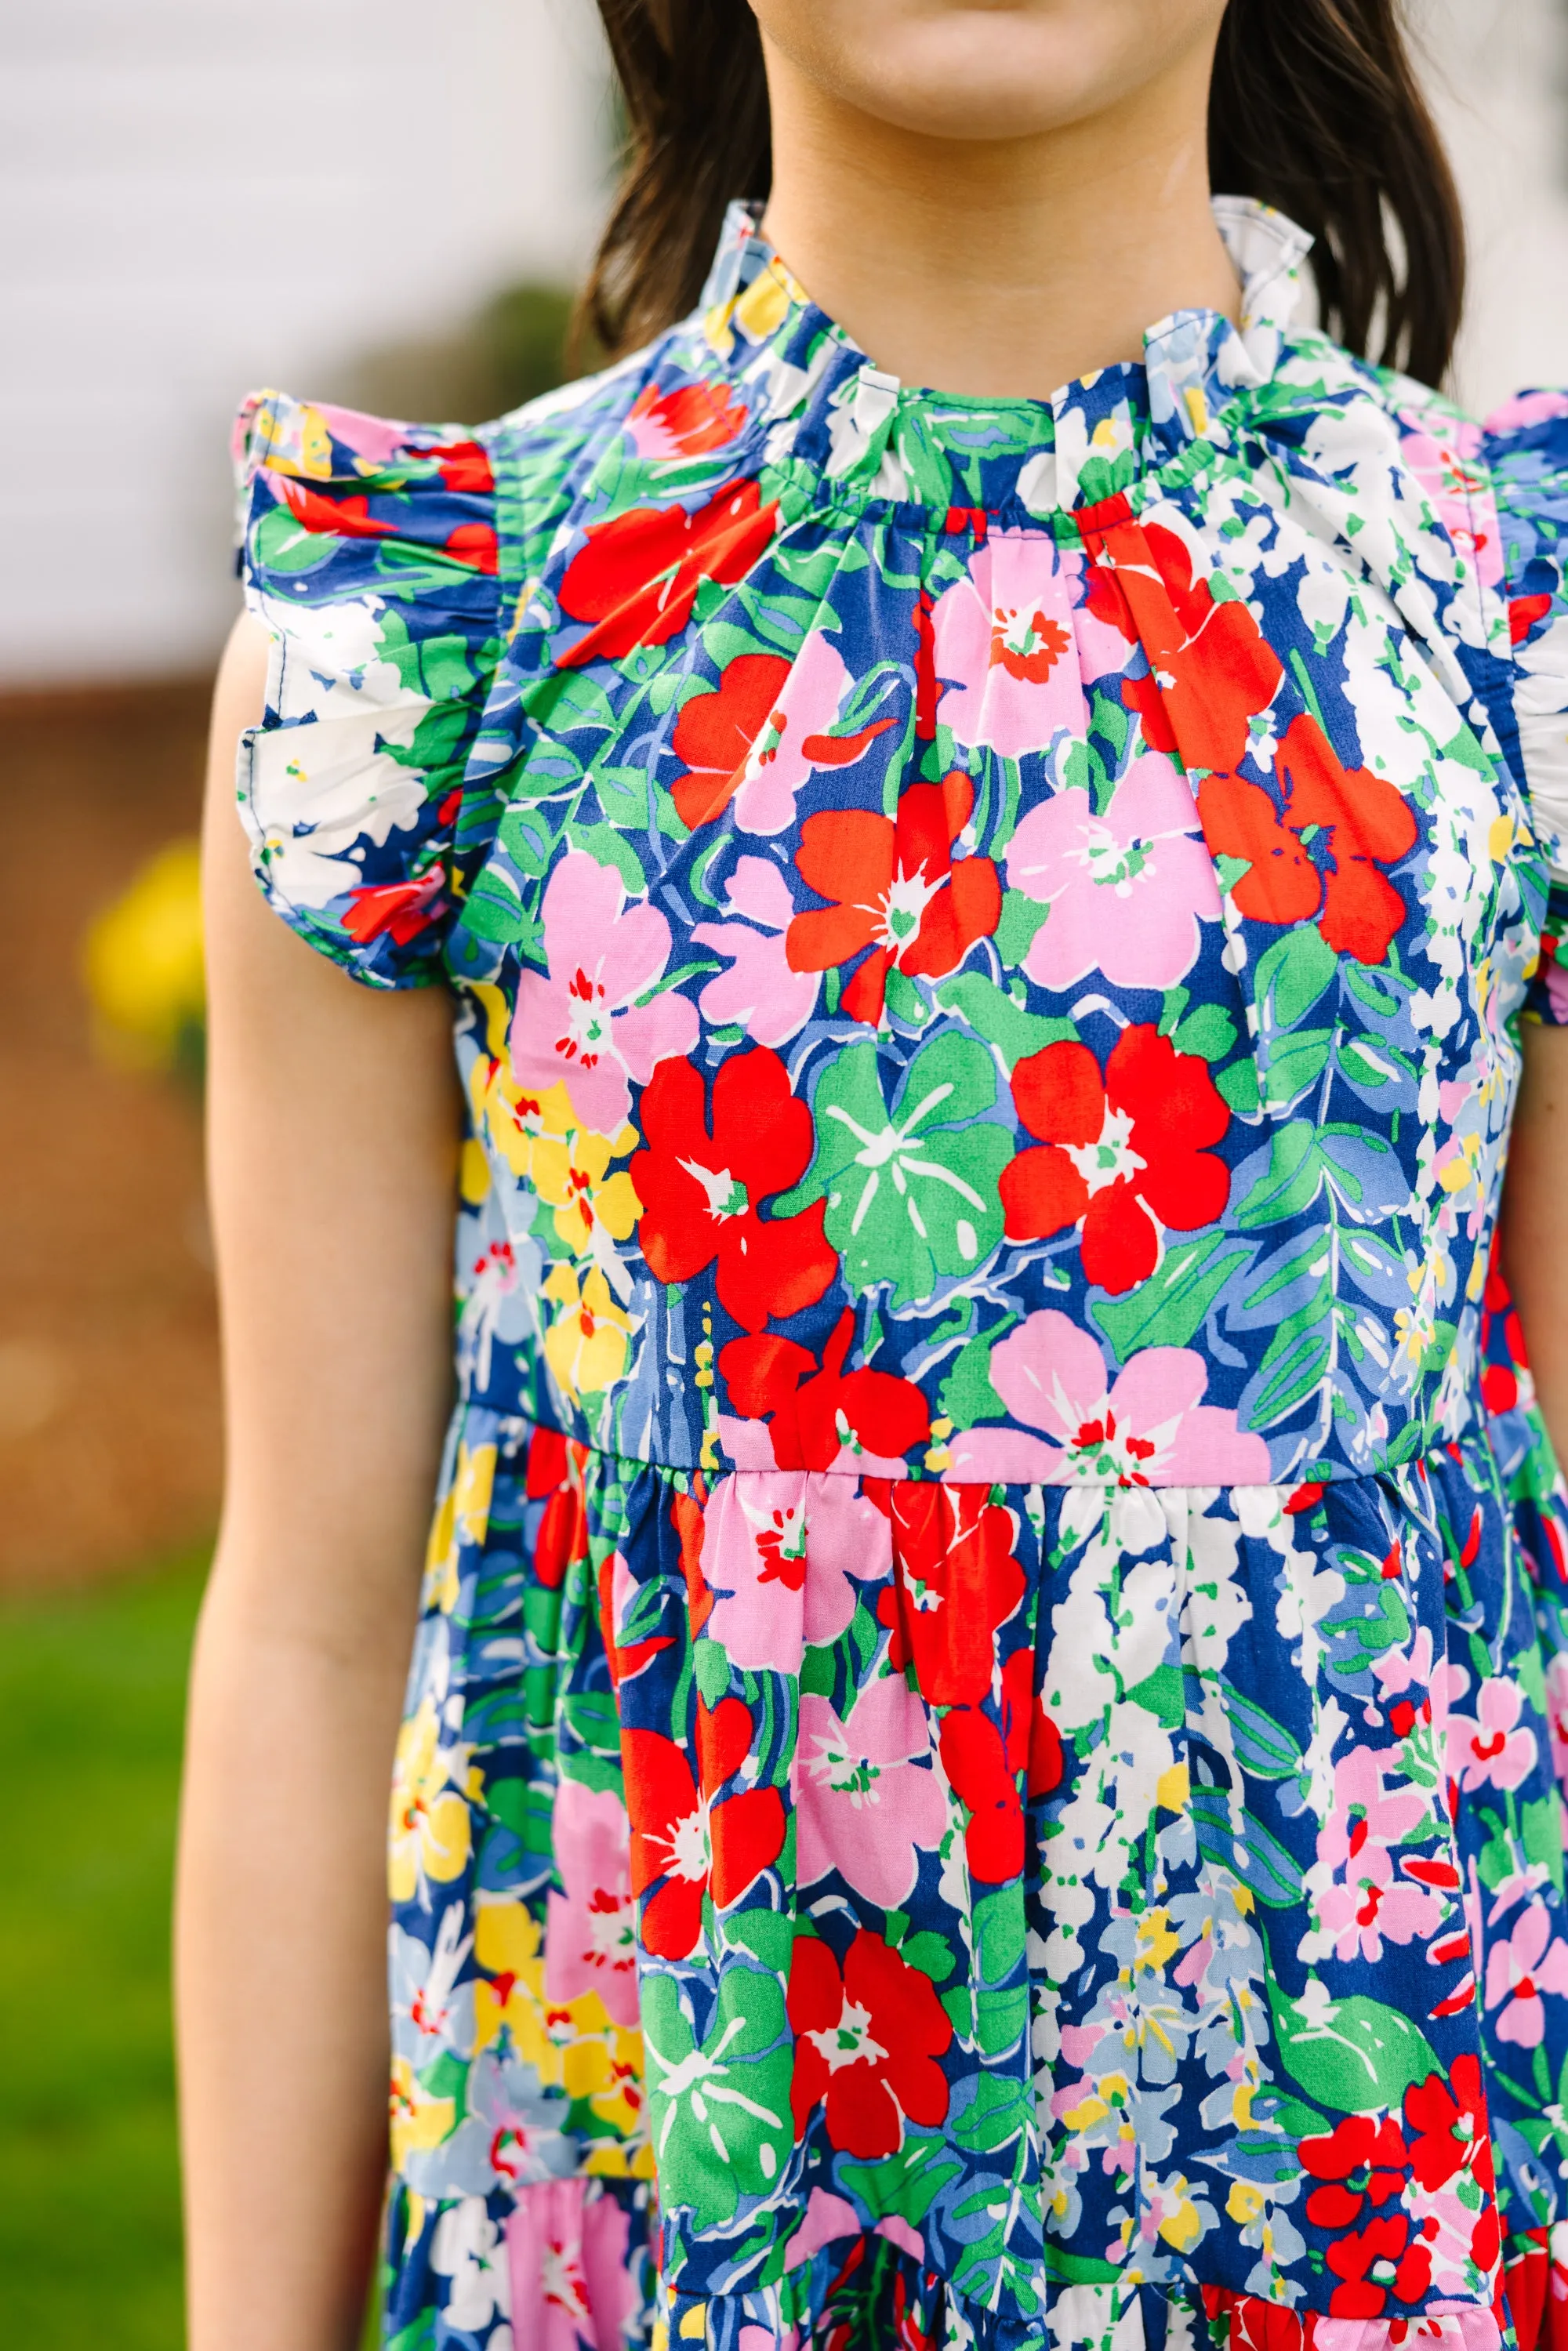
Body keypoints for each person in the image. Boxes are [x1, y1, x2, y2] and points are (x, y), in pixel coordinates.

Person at [175, 3, 1568, 2347]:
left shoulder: (1506, 630)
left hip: (1364, 2230)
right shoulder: (440, 641)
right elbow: (312, 1623)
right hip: (650, 2205)